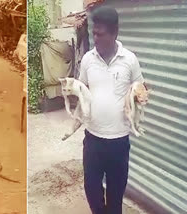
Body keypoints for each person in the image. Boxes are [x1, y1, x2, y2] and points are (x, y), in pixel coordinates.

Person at [78, 6, 144, 214]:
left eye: (101, 34)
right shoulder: (88, 59)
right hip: (93, 139)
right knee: (92, 189)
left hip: (118, 141)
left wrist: (141, 96)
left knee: (115, 196)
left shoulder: (129, 60)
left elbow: (139, 89)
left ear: (114, 33)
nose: (95, 38)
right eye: (93, 33)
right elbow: (82, 88)